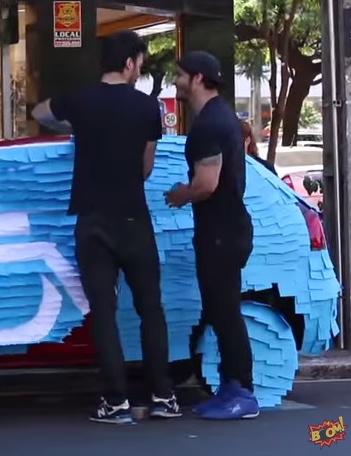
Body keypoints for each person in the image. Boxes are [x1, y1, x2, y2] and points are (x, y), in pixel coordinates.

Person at [30, 30, 179, 424]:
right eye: (140, 63)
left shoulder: (80, 100)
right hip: (133, 217)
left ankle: (115, 403)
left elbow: (40, 113)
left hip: (92, 220)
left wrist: (77, 128)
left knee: (104, 312)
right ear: (129, 63)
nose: (140, 69)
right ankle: (163, 396)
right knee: (151, 309)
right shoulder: (149, 109)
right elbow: (146, 168)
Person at [165, 50, 260, 420]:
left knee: (225, 314)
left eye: (180, 75)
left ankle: (243, 393)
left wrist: (179, 195)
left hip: (222, 233)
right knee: (220, 313)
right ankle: (230, 387)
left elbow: (206, 184)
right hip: (224, 230)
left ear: (199, 78)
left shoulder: (210, 125)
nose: (175, 81)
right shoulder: (220, 118)